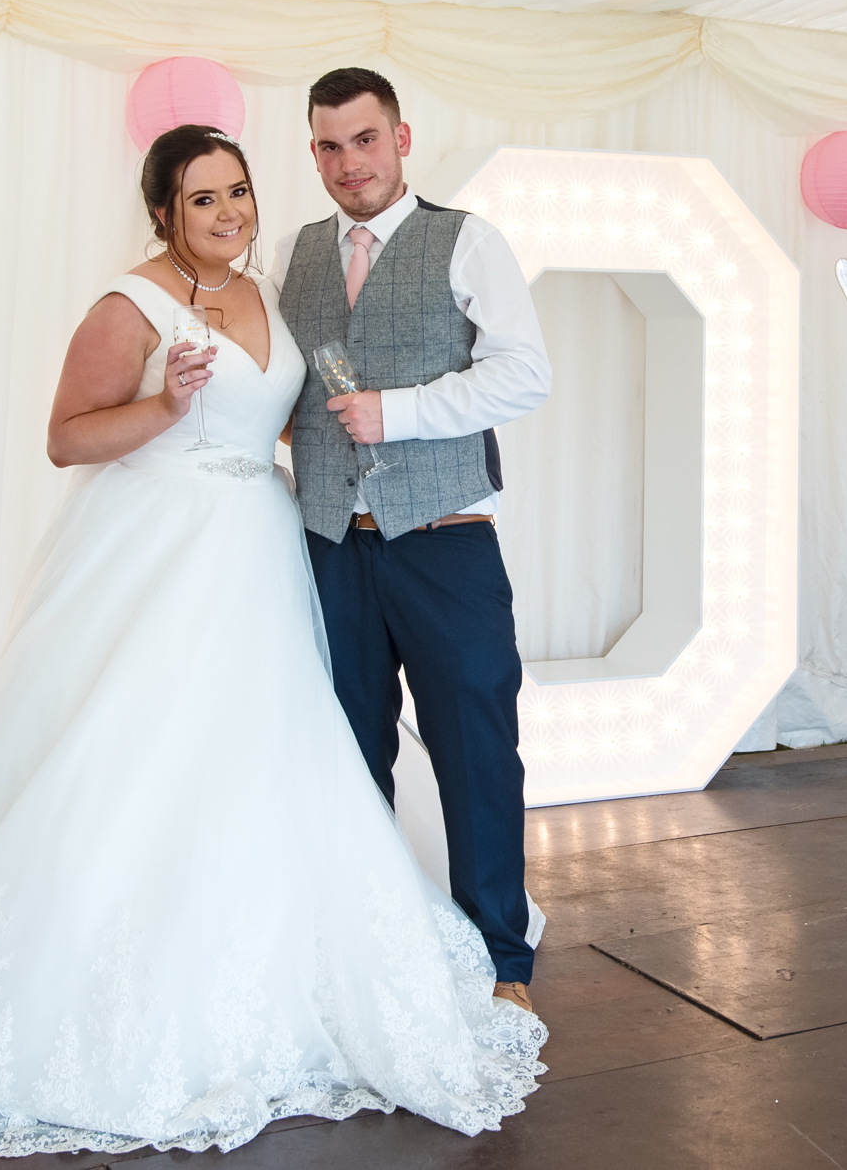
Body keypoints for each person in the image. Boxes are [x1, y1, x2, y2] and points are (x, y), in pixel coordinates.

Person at [0, 124, 545, 1158]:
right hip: (165, 556)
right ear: (164, 212)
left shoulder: (269, 284)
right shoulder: (132, 302)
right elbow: (67, 435)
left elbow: (289, 415)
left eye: (238, 191)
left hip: (271, 544)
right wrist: (165, 403)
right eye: (204, 199)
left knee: (279, 753)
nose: (229, 212)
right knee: (146, 754)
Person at [275, 68, 550, 1013]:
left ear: (400, 137)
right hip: (327, 546)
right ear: (312, 152)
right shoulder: (294, 252)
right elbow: (284, 388)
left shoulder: (467, 239)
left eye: (364, 139)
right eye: (329, 146)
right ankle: (367, 947)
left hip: (445, 541)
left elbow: (525, 374)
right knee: (347, 756)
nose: (349, 163)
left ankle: (501, 963)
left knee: (476, 749)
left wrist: (402, 413)